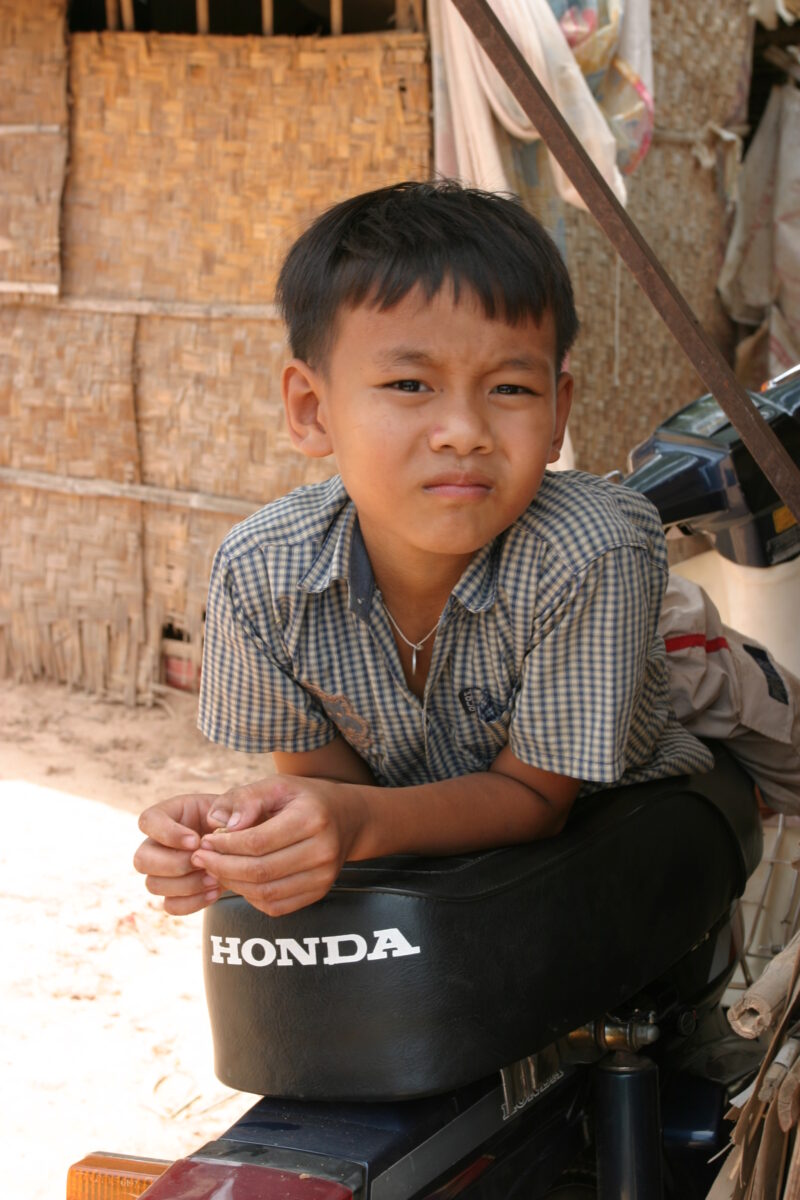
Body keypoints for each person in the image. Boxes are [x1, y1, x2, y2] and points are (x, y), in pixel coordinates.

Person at [133, 180, 715, 919]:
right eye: (410, 383)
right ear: (312, 410)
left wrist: (347, 823)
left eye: (509, 388)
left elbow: (537, 799)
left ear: (559, 409)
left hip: (627, 806)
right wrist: (242, 840)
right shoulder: (262, 574)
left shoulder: (592, 549)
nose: (463, 430)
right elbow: (334, 796)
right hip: (455, 850)